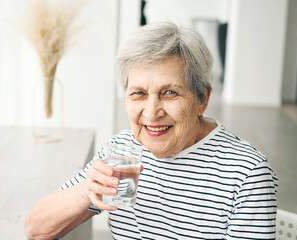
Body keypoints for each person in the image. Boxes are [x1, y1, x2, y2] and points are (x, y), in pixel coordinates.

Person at [24, 22, 278, 239]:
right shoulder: (122, 151)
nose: (151, 112)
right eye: (139, 93)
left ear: (203, 99)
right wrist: (85, 192)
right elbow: (36, 229)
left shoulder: (246, 174)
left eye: (170, 92)